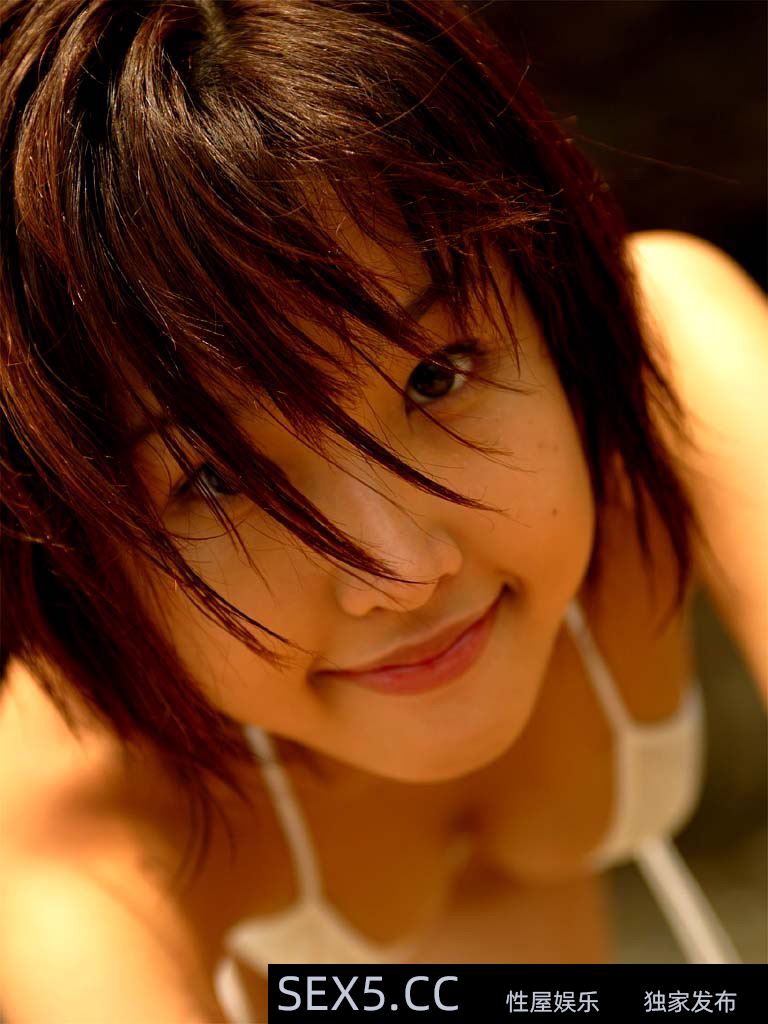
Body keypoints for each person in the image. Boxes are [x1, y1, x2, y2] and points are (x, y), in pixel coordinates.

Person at [0, 0, 766, 1021]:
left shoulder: (668, 362)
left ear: (554, 298)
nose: (402, 570)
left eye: (437, 377)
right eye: (219, 478)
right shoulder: (68, 823)